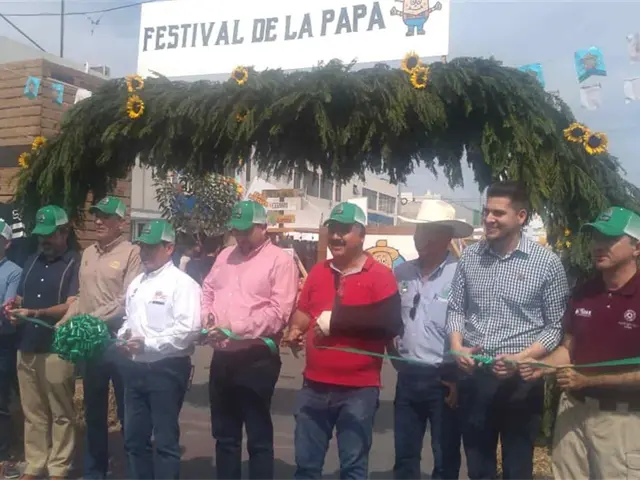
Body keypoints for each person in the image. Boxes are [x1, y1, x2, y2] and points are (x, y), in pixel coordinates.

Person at [445, 181, 570, 480]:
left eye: (498, 213)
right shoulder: (470, 257)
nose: (489, 219)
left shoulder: (546, 263)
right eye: (486, 211)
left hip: (521, 382)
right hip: (475, 378)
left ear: (521, 216)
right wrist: (456, 346)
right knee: (478, 467)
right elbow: (456, 309)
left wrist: (522, 358)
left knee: (517, 467)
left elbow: (555, 326)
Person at [284, 202, 403, 480]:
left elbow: (388, 325)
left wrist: (339, 322)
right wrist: (295, 329)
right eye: (333, 230)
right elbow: (304, 312)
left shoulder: (381, 277)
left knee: (353, 468)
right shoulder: (318, 272)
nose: (336, 236)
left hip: (358, 390)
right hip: (314, 385)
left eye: (344, 230)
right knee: (306, 467)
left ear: (361, 235)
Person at [520, 206, 640, 480]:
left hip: (622, 422)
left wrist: (589, 380)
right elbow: (569, 349)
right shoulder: (585, 292)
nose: (599, 245)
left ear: (637, 248)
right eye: (596, 237)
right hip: (572, 413)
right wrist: (542, 366)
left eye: (611, 239)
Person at [201, 200, 298, 480]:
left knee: (258, 437)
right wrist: (207, 316)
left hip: (256, 359)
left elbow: (278, 314)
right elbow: (207, 289)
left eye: (245, 231)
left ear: (263, 227)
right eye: (236, 231)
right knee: (225, 435)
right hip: (222, 357)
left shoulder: (280, 261)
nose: (240, 237)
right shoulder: (225, 255)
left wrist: (234, 328)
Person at [59, 196, 143, 480]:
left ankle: (133, 471)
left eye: (105, 217)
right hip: (91, 344)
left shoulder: (132, 253)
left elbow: (127, 299)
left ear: (121, 222)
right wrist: (65, 320)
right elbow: (82, 297)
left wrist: (91, 320)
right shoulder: (88, 254)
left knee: (128, 413)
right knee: (94, 413)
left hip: (118, 342)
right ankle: (94, 472)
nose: (98, 221)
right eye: (96, 216)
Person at [392, 199, 473, 480]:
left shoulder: (461, 275)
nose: (419, 237)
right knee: (404, 454)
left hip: (445, 378)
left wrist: (458, 378)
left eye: (428, 231)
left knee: (445, 454)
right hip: (407, 376)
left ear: (446, 237)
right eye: (418, 230)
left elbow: (470, 328)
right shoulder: (401, 273)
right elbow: (393, 320)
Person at [117, 219, 201, 480]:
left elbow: (188, 330)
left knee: (165, 440)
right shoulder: (137, 283)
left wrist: (148, 343)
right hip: (135, 368)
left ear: (169, 248)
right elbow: (128, 320)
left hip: (167, 370)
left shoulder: (183, 284)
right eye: (143, 247)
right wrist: (123, 336)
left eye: (151, 247)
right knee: (134, 439)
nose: (145, 253)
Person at [6, 205, 80, 480]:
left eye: (49, 235)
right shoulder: (31, 260)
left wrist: (36, 313)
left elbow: (71, 305)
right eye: (41, 235)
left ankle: (59, 468)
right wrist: (14, 305)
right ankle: (35, 464)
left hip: (56, 346)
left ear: (64, 232)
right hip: (26, 344)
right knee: (33, 412)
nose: (44, 240)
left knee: (61, 412)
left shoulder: (74, 263)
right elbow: (22, 297)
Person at [0, 219, 22, 479]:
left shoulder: (14, 271)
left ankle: (4, 457)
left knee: (1, 401)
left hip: (3, 342)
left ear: (7, 243)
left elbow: (8, 307)